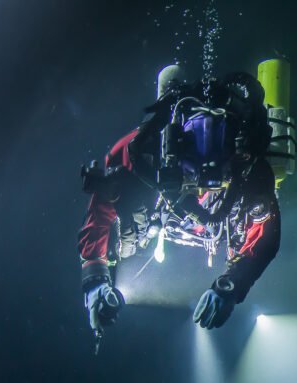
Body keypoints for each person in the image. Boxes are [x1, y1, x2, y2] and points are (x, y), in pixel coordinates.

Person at [77, 65, 281, 342]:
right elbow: (102, 208)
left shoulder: (249, 165)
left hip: (220, 222)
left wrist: (232, 284)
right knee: (124, 212)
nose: (201, 185)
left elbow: (266, 235)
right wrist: (96, 278)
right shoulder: (139, 151)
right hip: (166, 216)